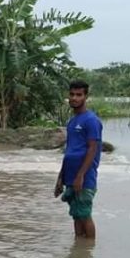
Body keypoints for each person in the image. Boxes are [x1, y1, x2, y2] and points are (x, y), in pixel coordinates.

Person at [55, 79, 103, 240]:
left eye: (79, 95)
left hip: (84, 178)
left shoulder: (91, 120)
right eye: (72, 94)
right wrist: (60, 177)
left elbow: (92, 148)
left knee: (84, 214)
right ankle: (79, 252)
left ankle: (89, 249)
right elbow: (69, 150)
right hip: (70, 176)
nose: (74, 98)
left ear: (85, 97)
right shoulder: (72, 122)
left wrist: (80, 175)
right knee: (76, 215)